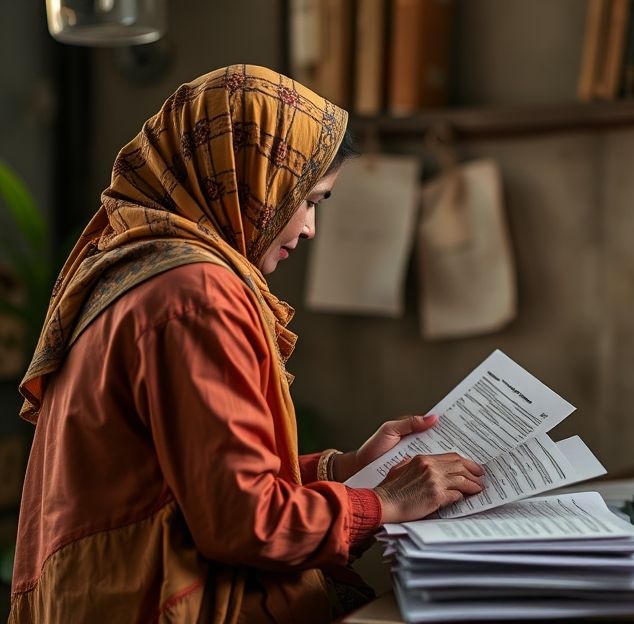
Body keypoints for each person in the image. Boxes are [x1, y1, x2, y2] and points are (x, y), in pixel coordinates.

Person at [10, 64, 485, 623]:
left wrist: (348, 469)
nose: (308, 228)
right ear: (252, 181)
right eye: (310, 200)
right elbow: (246, 524)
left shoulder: (135, 271)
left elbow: (189, 487)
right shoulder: (197, 294)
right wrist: (386, 503)